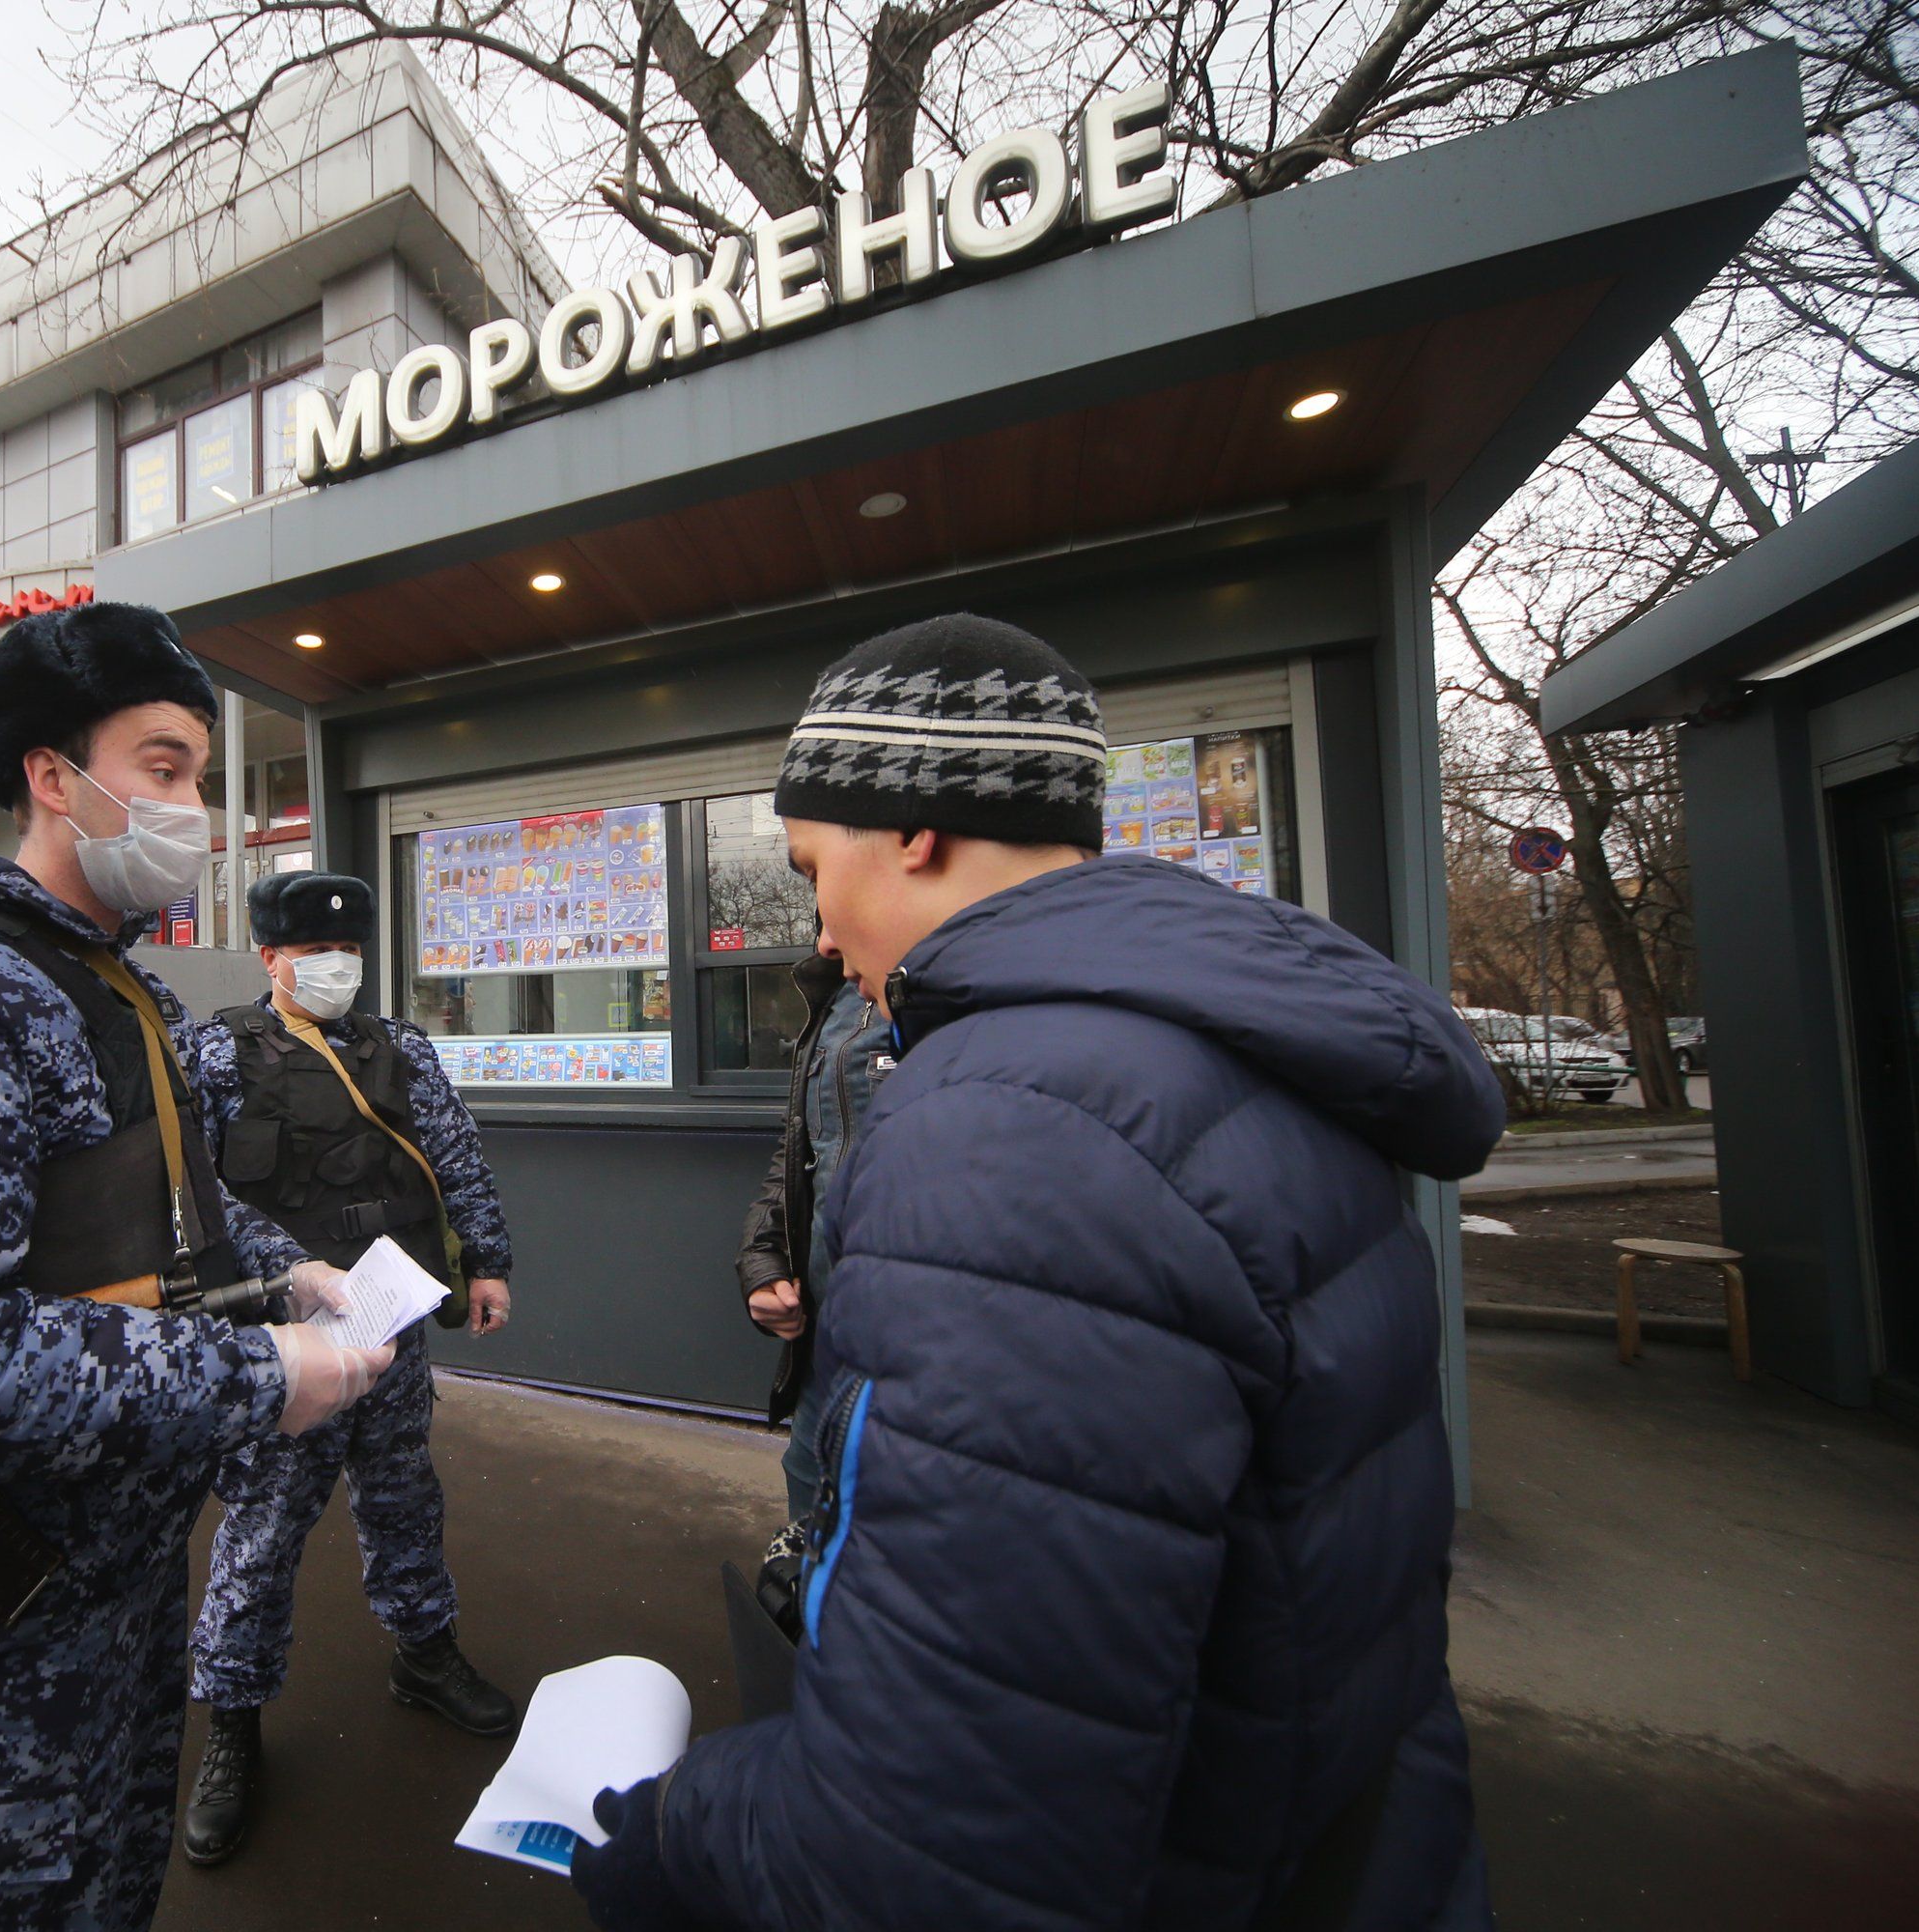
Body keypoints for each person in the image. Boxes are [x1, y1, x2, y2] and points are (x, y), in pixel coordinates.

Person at [571, 614, 1502, 1930]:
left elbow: (937, 1842)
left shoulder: (1013, 1125)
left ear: (912, 831)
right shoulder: (1210, 1054)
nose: (823, 932)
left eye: (810, 866)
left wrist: (676, 1833)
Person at [0, 600, 396, 1932]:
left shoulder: (98, 987)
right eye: (163, 768)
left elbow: (156, 1211)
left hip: (116, 1580)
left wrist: (291, 1275)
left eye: (200, 777)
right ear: (54, 776)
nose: (196, 807)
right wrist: (259, 1376)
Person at [177, 870, 520, 1866]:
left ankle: (424, 1648)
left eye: (351, 951)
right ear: (270, 956)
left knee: (403, 1489)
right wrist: (289, 1270)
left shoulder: (398, 1046)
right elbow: (189, 1191)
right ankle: (232, 1719)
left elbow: (457, 1155)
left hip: (392, 1312)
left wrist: (488, 1259)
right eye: (314, 950)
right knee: (265, 1521)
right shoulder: (216, 1053)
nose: (336, 965)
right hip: (283, 1334)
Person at [734, 950, 889, 1521]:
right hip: (825, 1357)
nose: (823, 939)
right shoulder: (839, 1000)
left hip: (921, 1373)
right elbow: (801, 1152)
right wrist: (763, 1260)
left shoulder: (982, 1005)